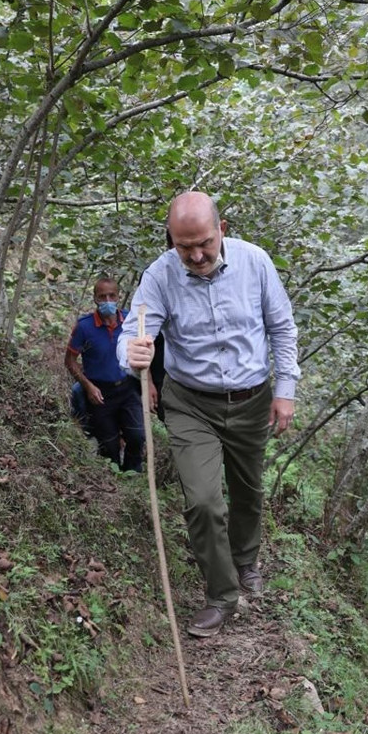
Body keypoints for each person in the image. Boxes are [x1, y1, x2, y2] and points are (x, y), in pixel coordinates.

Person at [118, 191, 300, 637]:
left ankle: (245, 559)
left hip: (252, 397)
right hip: (190, 402)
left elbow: (281, 327)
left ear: (222, 230)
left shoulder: (255, 262)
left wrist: (285, 390)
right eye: (184, 246)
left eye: (204, 243)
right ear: (171, 241)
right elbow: (132, 331)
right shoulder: (159, 276)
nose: (196, 255)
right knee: (202, 500)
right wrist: (134, 353)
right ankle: (222, 595)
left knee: (248, 488)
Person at [65, 277, 155, 472]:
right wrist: (88, 386)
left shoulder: (130, 322)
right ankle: (114, 482)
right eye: (102, 296)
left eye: (111, 296)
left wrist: (149, 385)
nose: (107, 301)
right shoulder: (85, 327)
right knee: (109, 447)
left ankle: (133, 475)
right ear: (95, 299)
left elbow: (145, 354)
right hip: (100, 394)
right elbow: (70, 361)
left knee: (137, 436)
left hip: (127, 388)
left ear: (118, 296)